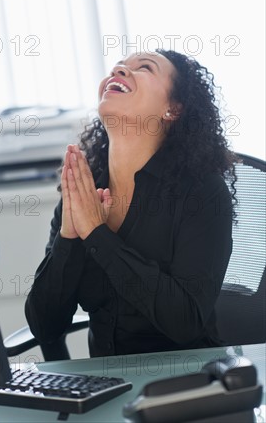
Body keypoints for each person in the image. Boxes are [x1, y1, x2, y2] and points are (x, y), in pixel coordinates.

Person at [25, 49, 238, 357]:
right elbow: (45, 327)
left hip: (184, 386)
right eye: (118, 66)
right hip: (101, 388)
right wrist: (69, 238)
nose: (120, 70)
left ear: (173, 109)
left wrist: (98, 235)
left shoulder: (202, 191)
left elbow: (184, 322)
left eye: (145, 68)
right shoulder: (85, 187)